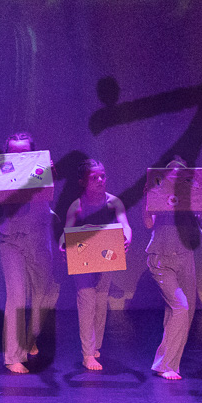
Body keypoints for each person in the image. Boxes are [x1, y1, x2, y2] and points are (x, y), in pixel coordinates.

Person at [0, 132, 55, 374]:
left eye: (24, 152)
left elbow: (47, 197)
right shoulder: (2, 172)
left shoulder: (41, 170)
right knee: (17, 295)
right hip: (12, 240)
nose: (19, 156)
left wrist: (46, 172)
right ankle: (12, 356)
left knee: (43, 296)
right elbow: (1, 200)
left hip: (39, 239)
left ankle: (29, 340)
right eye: (14, 153)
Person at [62, 159, 132, 373]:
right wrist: (63, 245)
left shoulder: (113, 202)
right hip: (83, 258)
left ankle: (95, 346)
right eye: (94, 178)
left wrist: (127, 237)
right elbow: (66, 232)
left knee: (101, 301)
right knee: (87, 300)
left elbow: (125, 224)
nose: (100, 180)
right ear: (83, 181)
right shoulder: (77, 206)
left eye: (102, 176)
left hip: (105, 257)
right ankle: (87, 354)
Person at [142, 159, 202, 381]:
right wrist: (148, 197)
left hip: (185, 256)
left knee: (183, 312)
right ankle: (164, 365)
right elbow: (148, 223)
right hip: (162, 258)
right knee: (181, 307)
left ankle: (171, 362)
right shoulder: (159, 196)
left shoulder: (189, 198)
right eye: (172, 175)